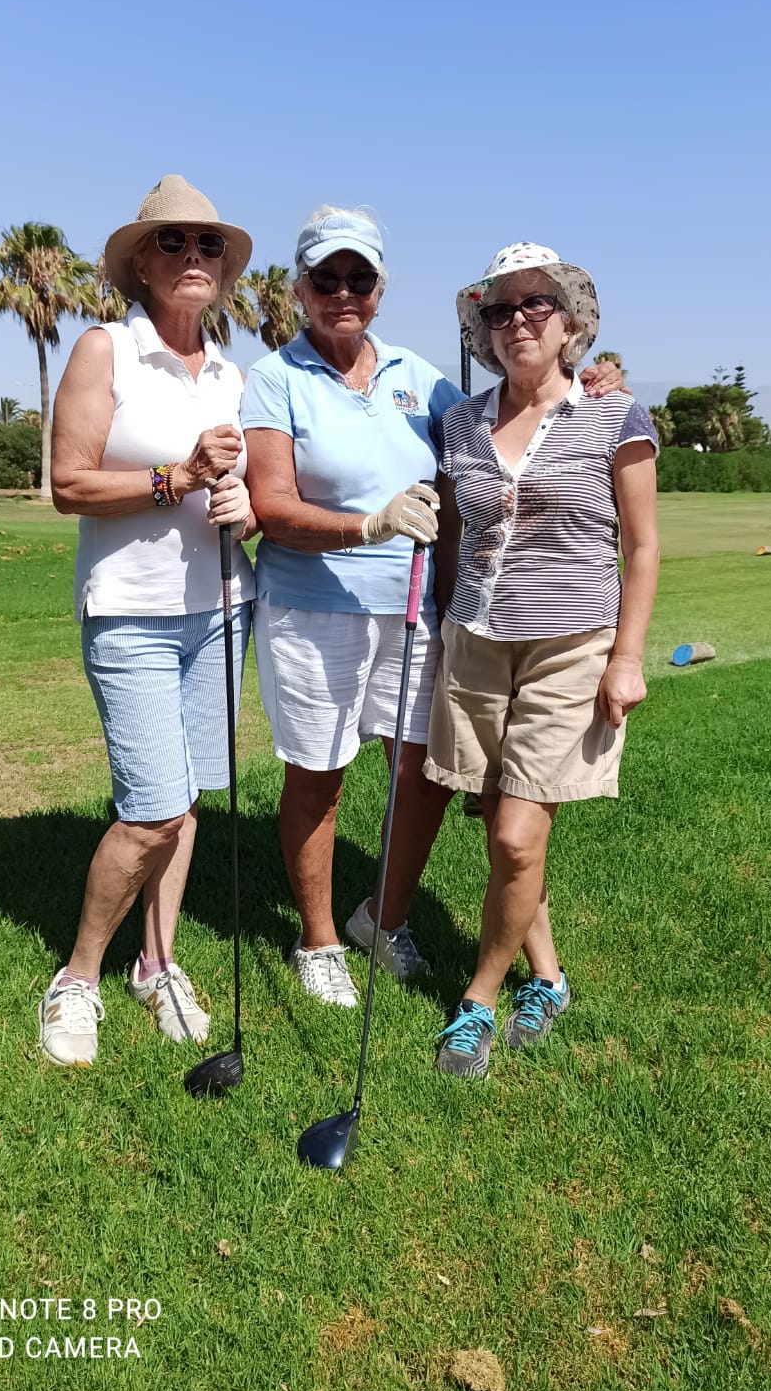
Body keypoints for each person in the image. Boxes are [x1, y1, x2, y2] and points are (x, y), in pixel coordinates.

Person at [242, 212, 626, 1006]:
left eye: (358, 279)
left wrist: (589, 382)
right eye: (325, 279)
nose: (342, 293)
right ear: (299, 290)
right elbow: (271, 507)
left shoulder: (419, 377)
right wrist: (366, 526)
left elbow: (512, 411)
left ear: (379, 290)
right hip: (312, 608)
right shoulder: (275, 377)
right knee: (318, 777)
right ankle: (318, 939)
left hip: (415, 608)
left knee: (424, 774)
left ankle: (379, 919)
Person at [424, 243, 660, 1077]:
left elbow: (641, 546)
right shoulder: (460, 422)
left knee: (519, 836)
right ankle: (549, 979)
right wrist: (440, 629)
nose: (516, 320)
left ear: (570, 324)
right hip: (474, 643)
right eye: (499, 309)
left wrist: (626, 658)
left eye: (535, 304)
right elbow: (451, 537)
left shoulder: (614, 416)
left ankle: (478, 1000)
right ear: (483, 330)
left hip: (570, 648)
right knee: (501, 833)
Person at [38, 175, 257, 1066]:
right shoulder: (108, 351)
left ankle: (156, 963)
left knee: (187, 800)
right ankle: (78, 977)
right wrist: (179, 477)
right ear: (140, 261)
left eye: (209, 244)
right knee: (150, 811)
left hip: (221, 610)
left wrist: (242, 503)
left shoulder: (233, 374)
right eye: (173, 241)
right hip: (131, 613)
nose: (194, 255)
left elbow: (243, 489)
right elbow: (69, 485)